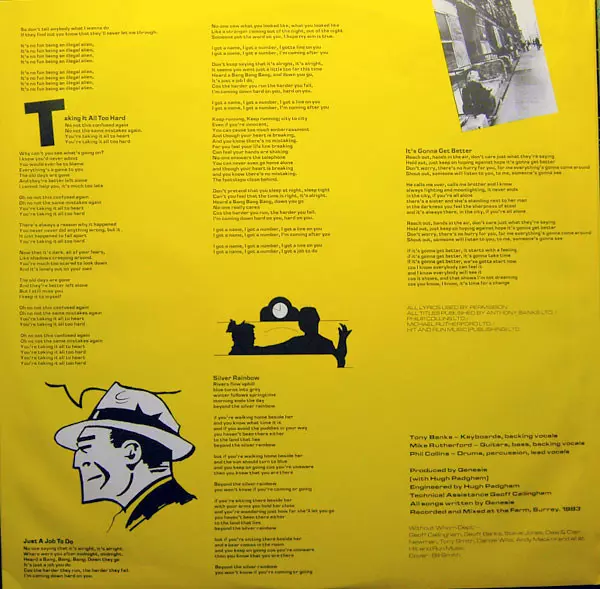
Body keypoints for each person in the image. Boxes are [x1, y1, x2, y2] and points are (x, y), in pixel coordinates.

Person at [54, 382, 196, 532]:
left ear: (131, 452)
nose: (77, 462)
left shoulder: (172, 516)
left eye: (86, 448)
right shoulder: (136, 518)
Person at [227, 307, 352, 367]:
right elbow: (340, 360)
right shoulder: (323, 343)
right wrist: (342, 340)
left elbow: (273, 350)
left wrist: (342, 340)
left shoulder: (297, 343)